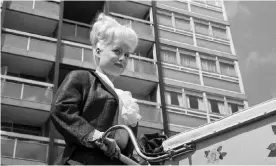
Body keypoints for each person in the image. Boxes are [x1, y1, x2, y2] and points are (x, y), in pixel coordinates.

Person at [50, 13, 141, 165]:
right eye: (117, 51)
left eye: (127, 55)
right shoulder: (81, 78)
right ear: (98, 51)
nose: (123, 59)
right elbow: (61, 109)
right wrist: (97, 136)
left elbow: (127, 148)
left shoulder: (126, 99)